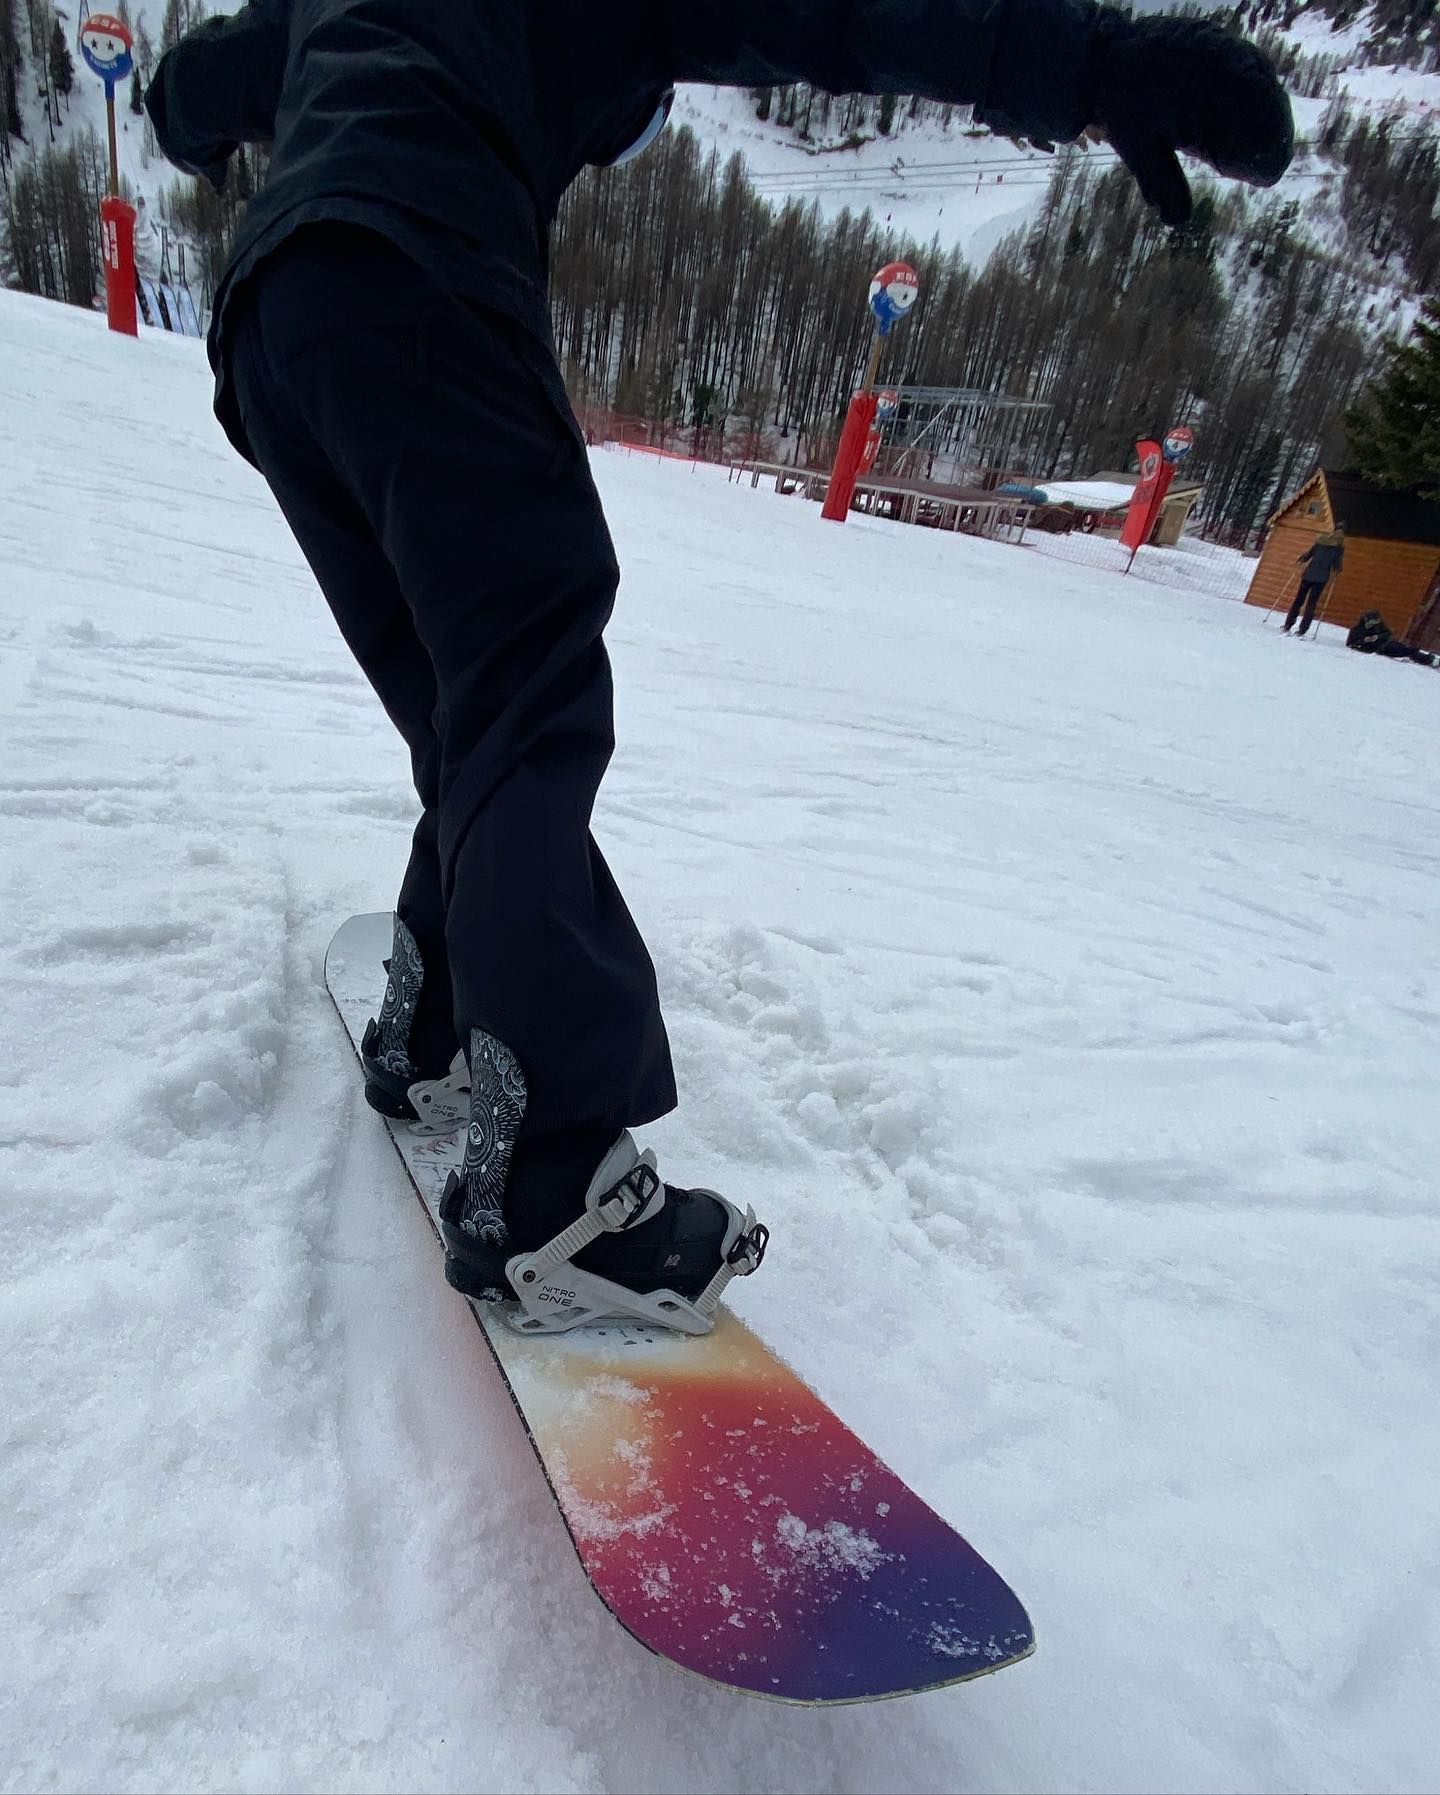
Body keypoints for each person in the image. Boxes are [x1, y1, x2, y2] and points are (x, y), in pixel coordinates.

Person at [146, 0, 1294, 1332]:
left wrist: (184, 119)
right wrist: (1088, 64)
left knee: (468, 700)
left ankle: (442, 1017)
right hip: (423, 273)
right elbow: (838, 16)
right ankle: (550, 1189)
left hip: (275, 322)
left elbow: (205, 79)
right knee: (526, 704)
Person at [1284, 526, 1346, 636]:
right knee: (1310, 603)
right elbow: (1336, 564)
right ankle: (1300, 629)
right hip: (1319, 577)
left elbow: (1309, 554)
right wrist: (1338, 569)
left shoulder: (1322, 541)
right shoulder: (1338, 548)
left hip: (1311, 575)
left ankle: (1289, 625)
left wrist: (1303, 558)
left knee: (1301, 601)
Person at [1346, 610, 1438, 667]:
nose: (1376, 623)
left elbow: (1388, 633)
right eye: (1374, 621)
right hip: (1380, 648)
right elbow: (1351, 643)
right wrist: (1365, 640)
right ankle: (1429, 660)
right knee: (1406, 651)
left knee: (1406, 649)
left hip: (1387, 643)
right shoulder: (1356, 630)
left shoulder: (1378, 626)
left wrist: (1378, 636)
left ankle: (1428, 659)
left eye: (1377, 621)